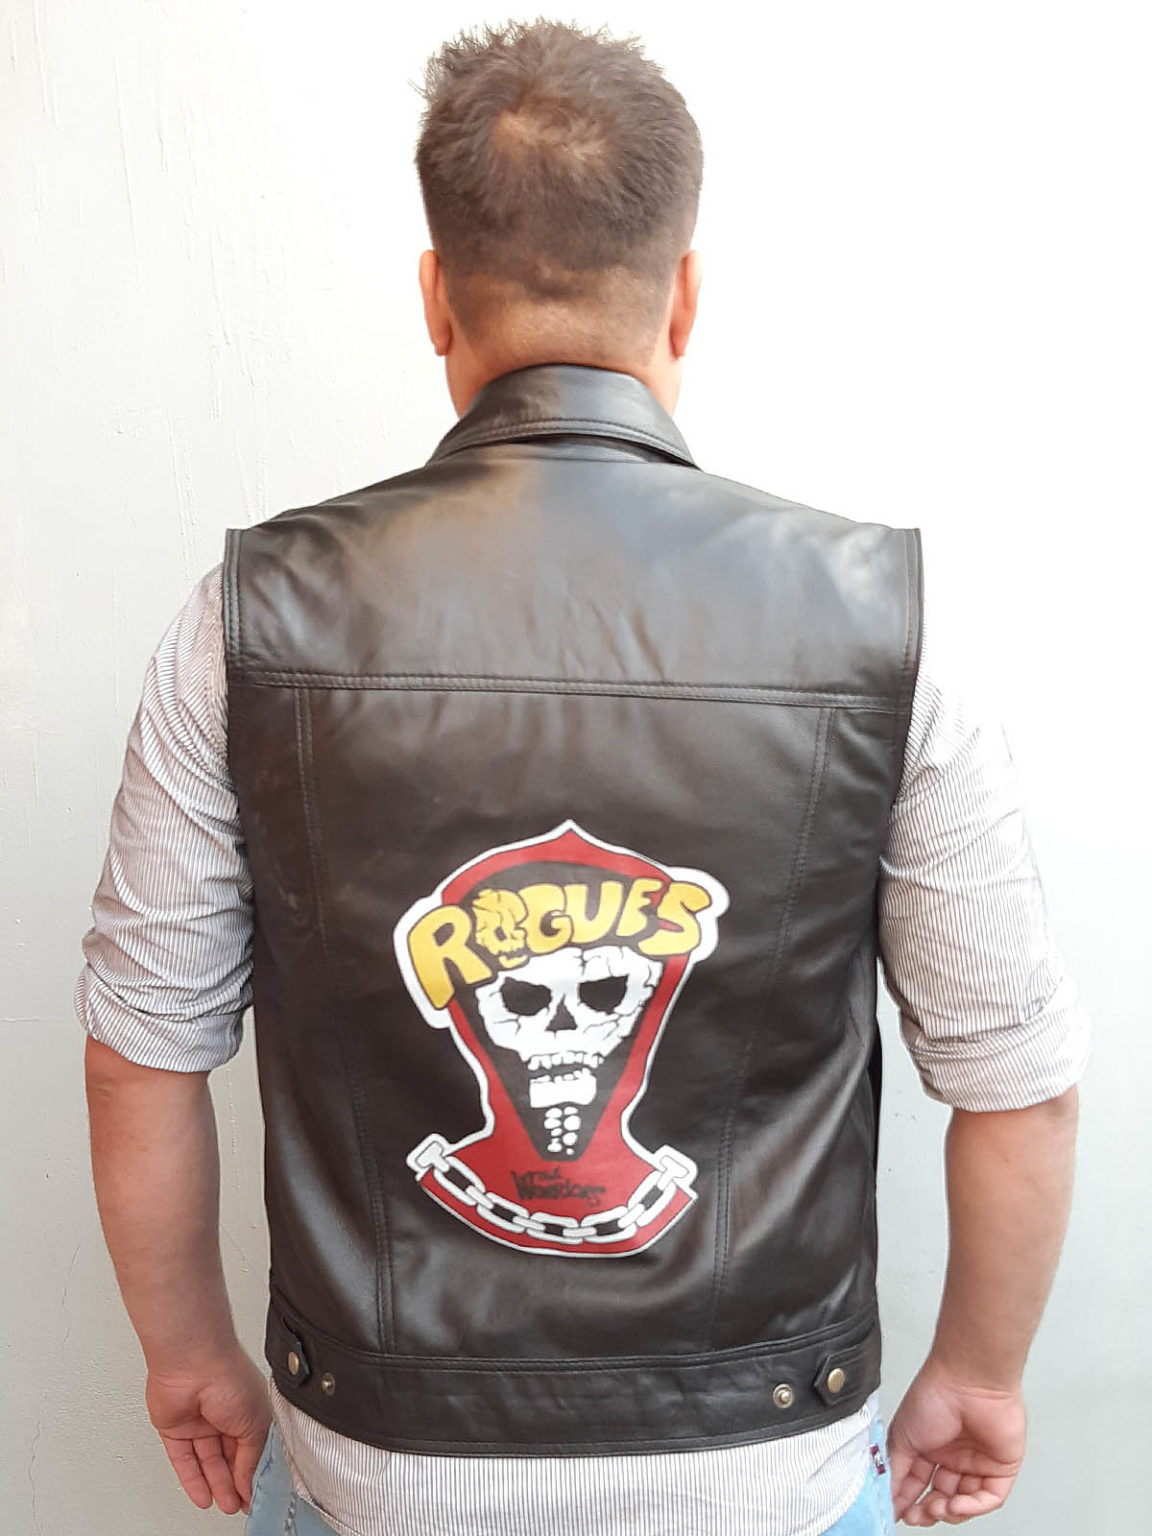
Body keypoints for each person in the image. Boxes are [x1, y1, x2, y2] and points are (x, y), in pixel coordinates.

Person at [79, 20, 1089, 1536]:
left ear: (436, 296)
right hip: (769, 1463)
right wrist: (982, 1374)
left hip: (382, 1467)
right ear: (685, 295)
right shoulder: (886, 625)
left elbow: (140, 1050)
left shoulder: (249, 621)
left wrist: (184, 1355)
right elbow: (1018, 1079)